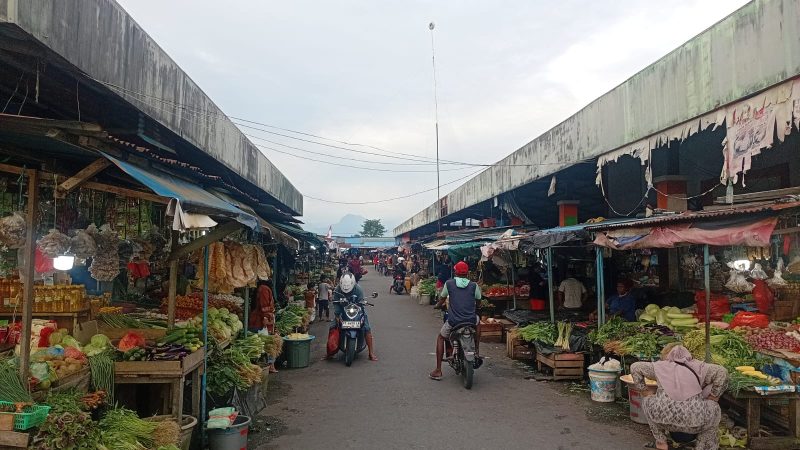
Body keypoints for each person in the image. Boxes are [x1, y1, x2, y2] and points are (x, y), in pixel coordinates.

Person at [631, 343, 727, 450]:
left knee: (647, 400)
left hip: (662, 420)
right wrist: (714, 396)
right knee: (714, 407)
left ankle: (661, 442)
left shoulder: (659, 366)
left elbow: (635, 367)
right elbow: (722, 372)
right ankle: (702, 445)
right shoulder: (700, 366)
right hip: (695, 423)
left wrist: (644, 391)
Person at [430, 261, 482, 381]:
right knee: (478, 322)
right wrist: (477, 307)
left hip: (454, 321)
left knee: (440, 337)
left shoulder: (449, 284)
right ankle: (477, 349)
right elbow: (479, 302)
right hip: (470, 320)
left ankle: (438, 370)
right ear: (467, 273)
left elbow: (442, 300)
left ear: (455, 272)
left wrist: (437, 305)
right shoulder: (474, 286)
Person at [328, 273, 377, 361]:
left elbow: (361, 303)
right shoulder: (337, 289)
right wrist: (337, 314)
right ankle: (330, 352)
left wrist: (360, 306)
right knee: (332, 327)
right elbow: (335, 303)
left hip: (356, 310)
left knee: (367, 328)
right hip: (342, 310)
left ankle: (371, 353)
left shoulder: (358, 289)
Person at [249, 280, 278, 373]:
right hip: (260, 322)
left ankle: (269, 365)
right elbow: (264, 307)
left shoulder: (263, 288)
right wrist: (266, 318)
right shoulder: (264, 289)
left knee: (266, 343)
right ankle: (269, 366)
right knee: (266, 343)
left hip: (262, 320)